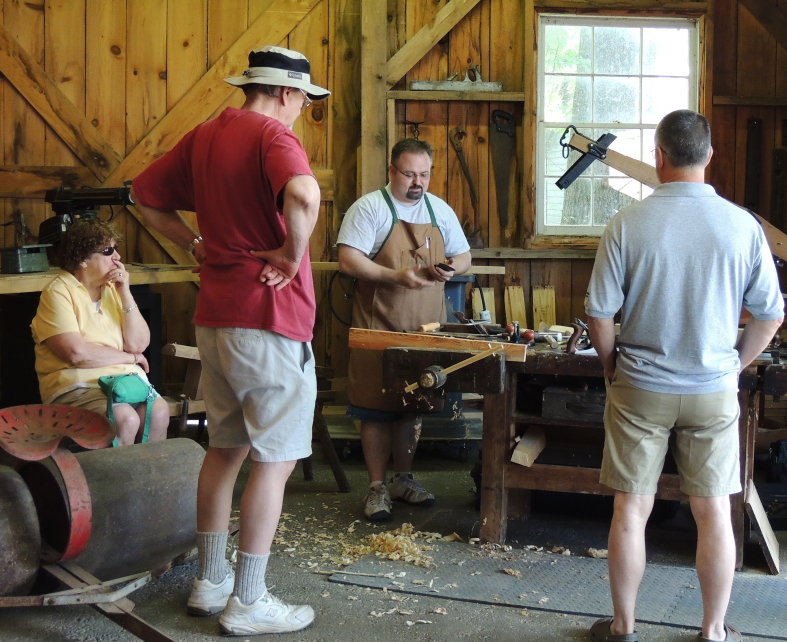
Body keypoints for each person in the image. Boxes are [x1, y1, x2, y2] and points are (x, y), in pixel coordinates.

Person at [132, 45, 326, 636]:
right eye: (304, 102)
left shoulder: (205, 134)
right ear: (288, 93)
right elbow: (306, 195)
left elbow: (143, 195)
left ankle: (210, 581)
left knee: (226, 449)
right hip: (268, 317)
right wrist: (293, 256)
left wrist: (194, 245)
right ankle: (249, 600)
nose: (301, 112)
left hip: (215, 317)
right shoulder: (272, 136)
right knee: (276, 459)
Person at [585, 109, 784, 642]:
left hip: (641, 386)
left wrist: (611, 366)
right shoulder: (743, 226)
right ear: (710, 155)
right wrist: (734, 365)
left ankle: (624, 627)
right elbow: (771, 314)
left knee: (631, 508)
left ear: (659, 156)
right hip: (712, 387)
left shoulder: (627, 224)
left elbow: (599, 314)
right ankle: (713, 631)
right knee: (713, 509)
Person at [337, 137, 472, 521]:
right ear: (392, 172)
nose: (418, 182)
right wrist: (396, 276)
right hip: (378, 324)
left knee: (414, 405)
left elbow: (464, 255)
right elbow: (348, 260)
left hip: (423, 327)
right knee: (375, 408)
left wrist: (451, 267)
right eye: (410, 174)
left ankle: (404, 479)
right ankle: (378, 488)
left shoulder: (438, 209)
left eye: (424, 174)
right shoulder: (370, 209)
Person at [31, 220, 169, 446]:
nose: (118, 257)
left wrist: (125, 292)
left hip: (125, 383)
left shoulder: (112, 289)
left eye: (116, 249)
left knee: (160, 412)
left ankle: (147, 480)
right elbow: (77, 353)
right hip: (77, 386)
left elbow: (139, 344)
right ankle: (116, 480)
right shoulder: (58, 291)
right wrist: (130, 359)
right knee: (125, 418)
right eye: (108, 251)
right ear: (83, 259)